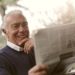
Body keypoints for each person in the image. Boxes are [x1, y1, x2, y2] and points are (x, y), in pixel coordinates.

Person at [0, 10, 48, 75]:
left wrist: (39, 44)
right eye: (15, 26)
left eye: (25, 25)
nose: (22, 30)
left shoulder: (37, 48)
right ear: (4, 31)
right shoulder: (2, 58)